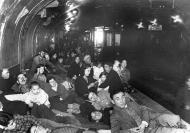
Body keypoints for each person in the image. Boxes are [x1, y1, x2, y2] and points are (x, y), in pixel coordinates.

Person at [110, 89, 190, 133]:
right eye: (117, 99)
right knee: (170, 131)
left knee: (172, 118)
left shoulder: (129, 101)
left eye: (122, 97)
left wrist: (144, 123)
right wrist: (130, 131)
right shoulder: (114, 116)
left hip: (148, 120)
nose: (122, 100)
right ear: (113, 101)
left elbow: (143, 109)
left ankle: (186, 126)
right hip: (144, 130)